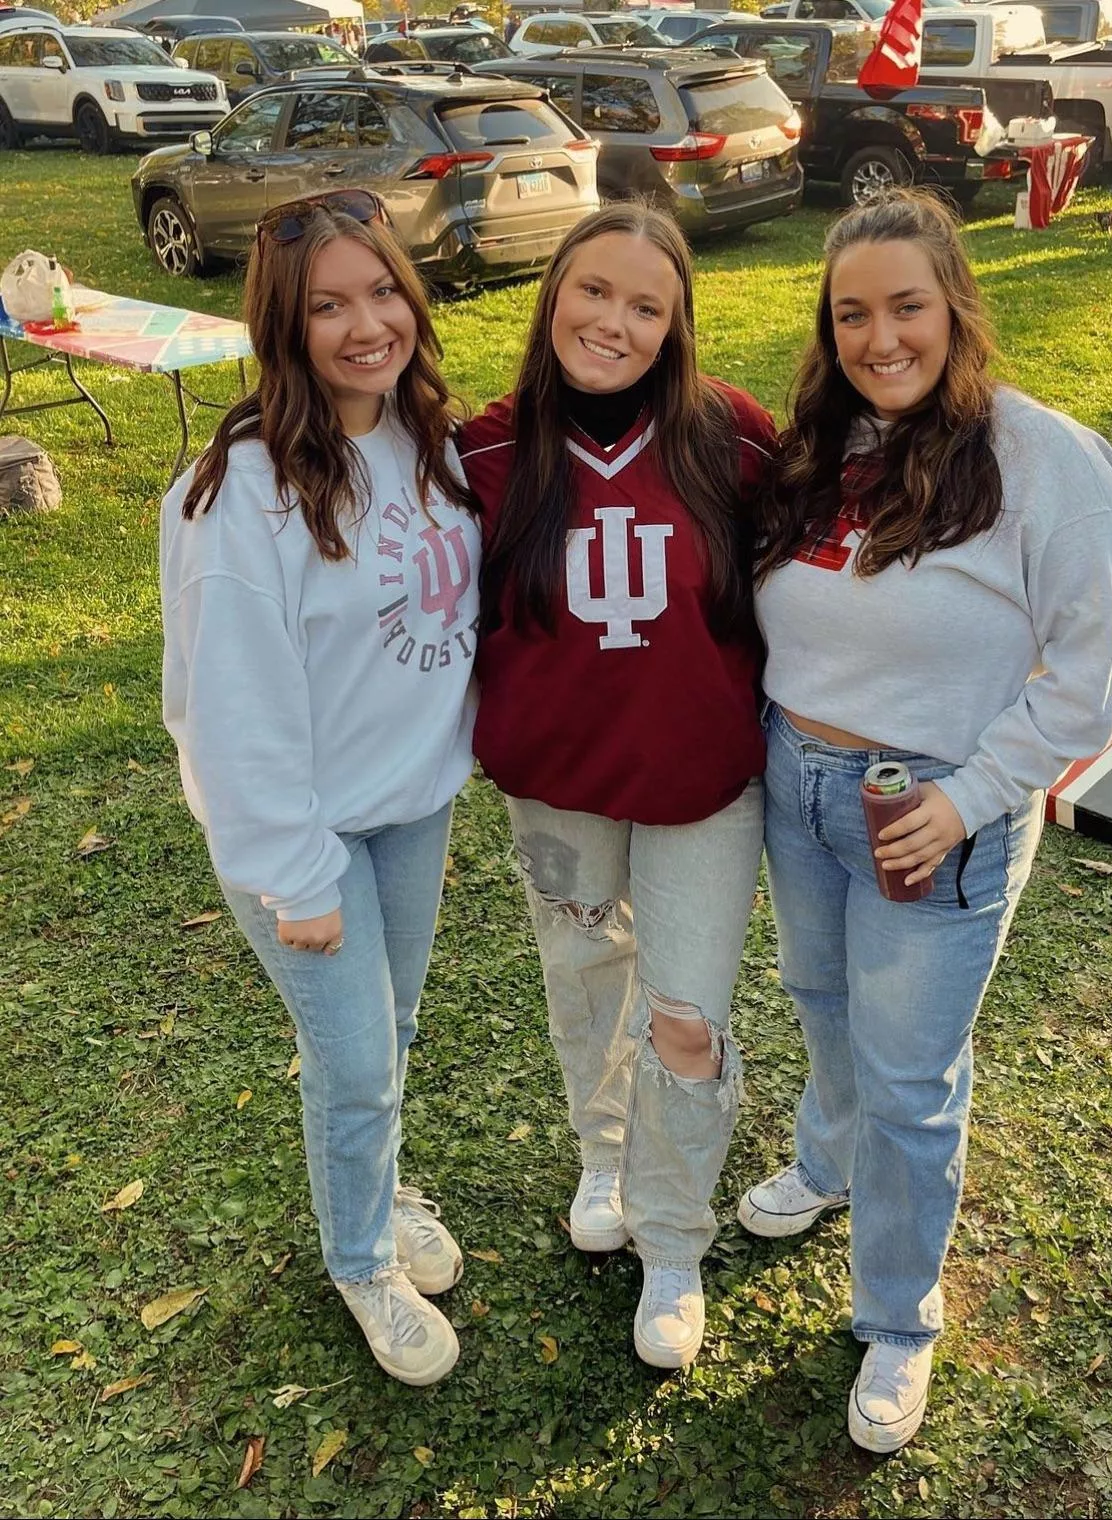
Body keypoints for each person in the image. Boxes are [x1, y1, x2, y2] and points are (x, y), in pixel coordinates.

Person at [746, 190, 1112, 1454]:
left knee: (913, 1076)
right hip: (795, 780)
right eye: (853, 311)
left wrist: (969, 796)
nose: (880, 337)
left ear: (955, 306)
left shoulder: (1046, 460)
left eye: (905, 306)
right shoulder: (823, 448)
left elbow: (1103, 675)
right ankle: (827, 1161)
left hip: (934, 811)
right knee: (820, 998)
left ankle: (899, 1318)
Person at [159, 190, 480, 1388]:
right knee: (353, 1057)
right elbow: (227, 707)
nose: (365, 325)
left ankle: (380, 1194)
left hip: (413, 803)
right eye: (326, 306)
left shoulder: (418, 435)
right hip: (306, 832)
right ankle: (359, 1258)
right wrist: (294, 874)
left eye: (381, 289)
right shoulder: (240, 492)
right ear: (281, 328)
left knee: (385, 1037)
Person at [458, 203, 775, 1370]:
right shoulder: (486, 453)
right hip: (556, 789)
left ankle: (674, 1236)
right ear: (553, 293)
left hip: (703, 785)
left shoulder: (731, 438)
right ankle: (605, 1153)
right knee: (587, 974)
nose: (615, 321)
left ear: (677, 320)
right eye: (594, 290)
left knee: (685, 1016)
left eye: (648, 304)